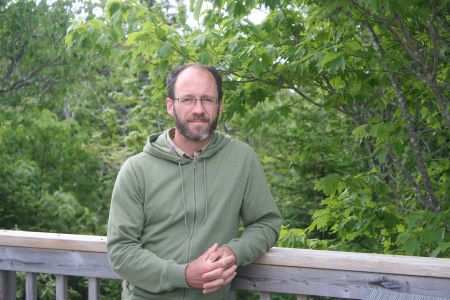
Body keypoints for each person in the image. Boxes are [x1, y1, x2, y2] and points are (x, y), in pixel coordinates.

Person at [107, 63, 282, 300]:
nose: (198, 109)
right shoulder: (136, 169)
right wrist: (185, 275)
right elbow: (121, 251)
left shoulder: (242, 159)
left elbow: (266, 223)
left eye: (207, 99)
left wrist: (234, 252)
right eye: (188, 99)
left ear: (219, 105)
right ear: (171, 106)